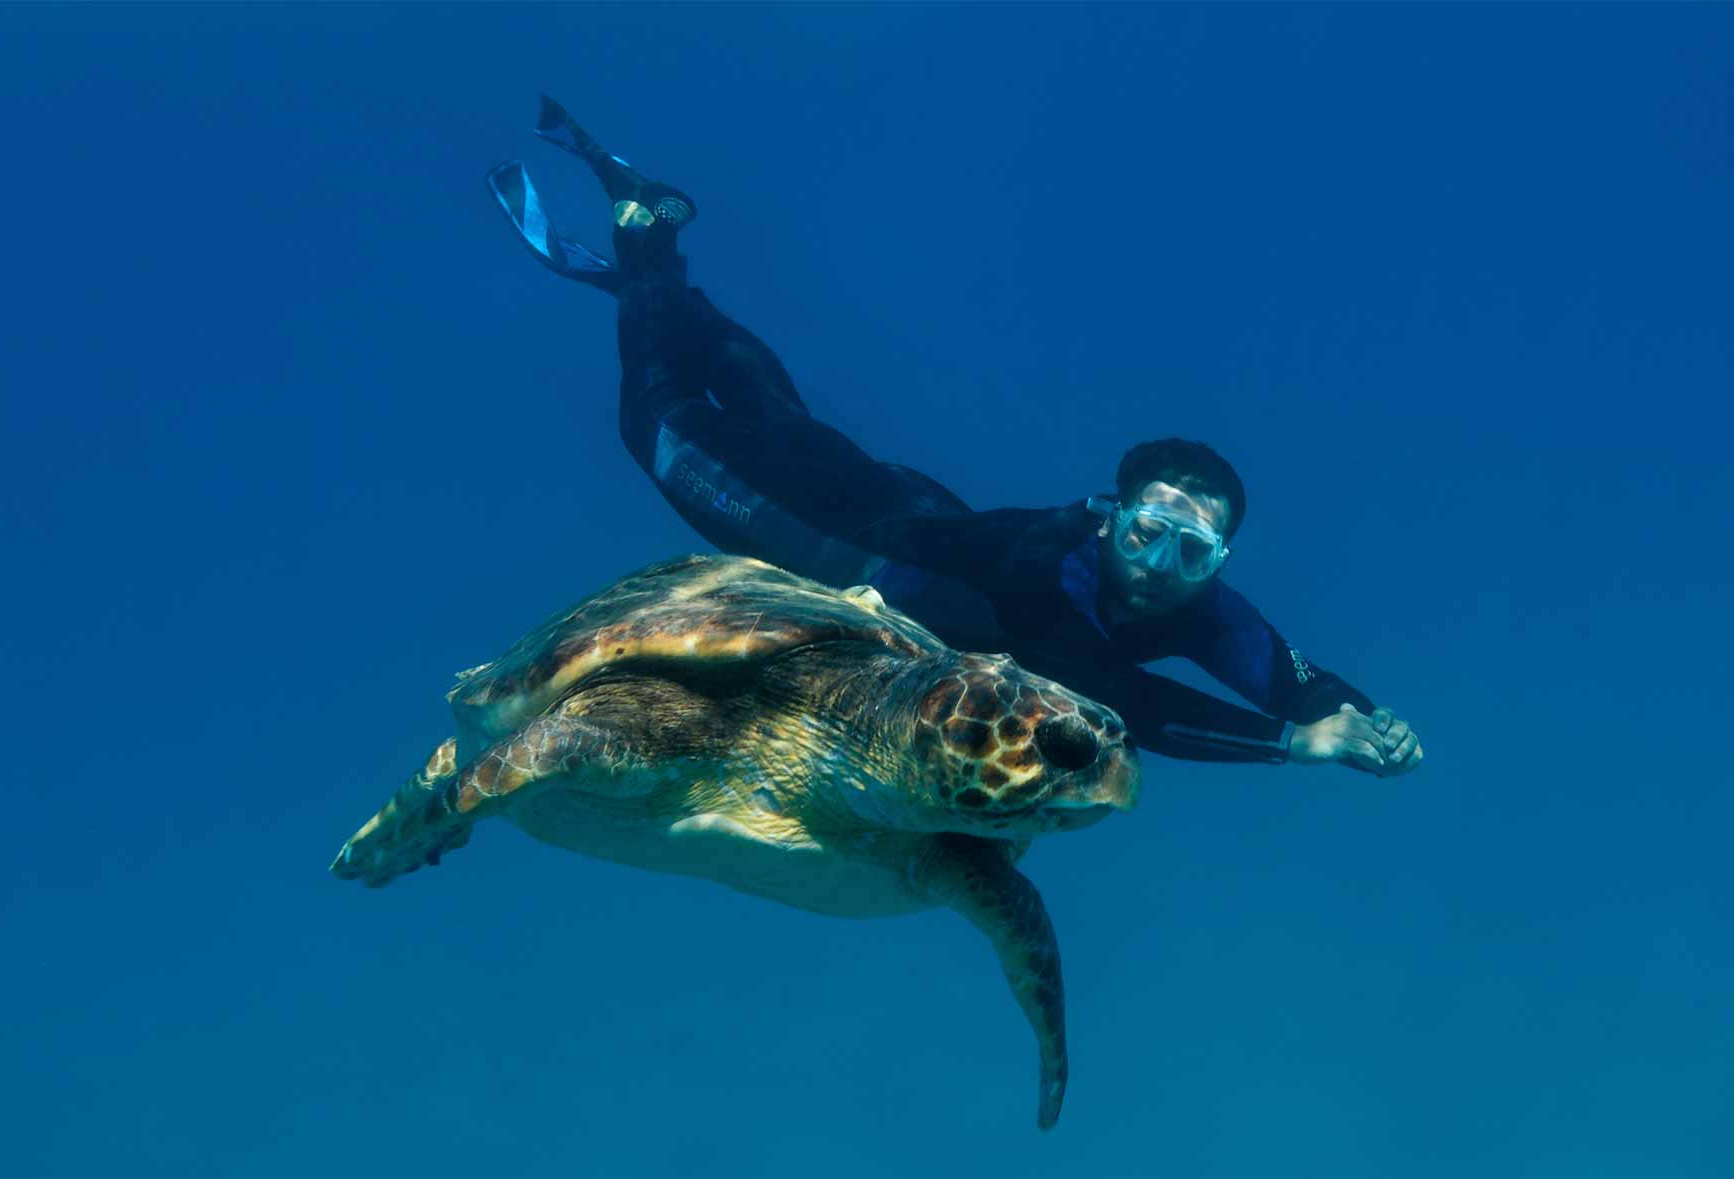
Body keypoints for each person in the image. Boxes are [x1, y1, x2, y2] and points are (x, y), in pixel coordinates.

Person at [491, 97, 1424, 777]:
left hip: (906, 501)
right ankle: (646, 252)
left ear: (1219, 558)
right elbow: (1117, 702)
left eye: (1191, 550)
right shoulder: (1045, 574)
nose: (1160, 563)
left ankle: (656, 278)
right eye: (1147, 531)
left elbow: (1283, 671)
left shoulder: (1202, 606)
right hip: (821, 536)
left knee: (777, 416)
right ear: (1110, 516)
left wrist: (1354, 716)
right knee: (656, 423)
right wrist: (1292, 744)